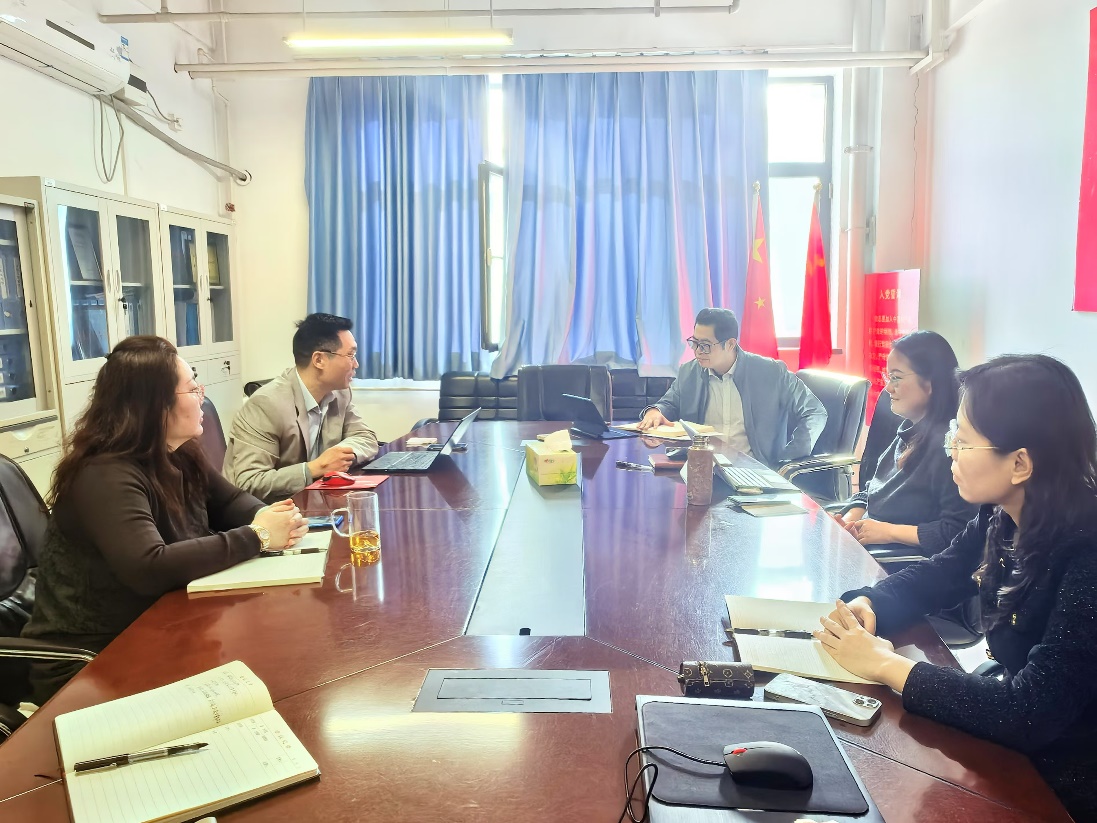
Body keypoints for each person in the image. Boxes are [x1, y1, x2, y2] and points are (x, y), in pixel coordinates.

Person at [815, 354, 1097, 820]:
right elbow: (940, 574)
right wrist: (871, 602)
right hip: (1023, 747)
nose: (951, 451)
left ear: (1020, 463)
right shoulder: (1003, 513)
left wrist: (885, 664)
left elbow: (1031, 711)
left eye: (963, 441)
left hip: (1067, 781)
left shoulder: (1086, 555)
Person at [22, 336, 307, 702]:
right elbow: (149, 566)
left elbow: (230, 501)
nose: (202, 395)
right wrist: (259, 536)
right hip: (96, 659)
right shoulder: (104, 474)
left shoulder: (178, 452)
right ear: (157, 406)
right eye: (192, 387)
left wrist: (268, 516)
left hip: (162, 625)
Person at [834, 330, 977, 557]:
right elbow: (873, 490)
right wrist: (850, 519)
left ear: (930, 383)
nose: (888, 388)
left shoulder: (948, 448)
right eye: (888, 377)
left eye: (896, 378)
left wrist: (890, 532)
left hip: (898, 562)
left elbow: (958, 532)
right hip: (869, 547)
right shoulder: (909, 430)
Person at [639, 307, 827, 467]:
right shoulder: (689, 372)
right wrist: (655, 412)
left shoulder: (771, 372)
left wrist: (790, 457)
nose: (697, 351)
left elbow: (814, 411)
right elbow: (669, 404)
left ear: (730, 344)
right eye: (694, 343)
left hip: (757, 471)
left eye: (705, 345)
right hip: (704, 470)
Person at [225, 313, 379, 501]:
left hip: (313, 502)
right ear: (319, 360)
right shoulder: (266, 404)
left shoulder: (340, 393)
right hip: (265, 511)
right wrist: (315, 468)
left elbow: (365, 437)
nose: (356, 364)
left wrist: (340, 455)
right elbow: (249, 482)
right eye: (350, 355)